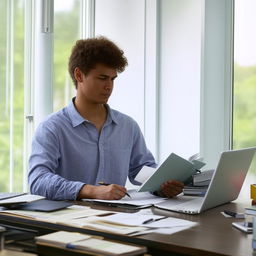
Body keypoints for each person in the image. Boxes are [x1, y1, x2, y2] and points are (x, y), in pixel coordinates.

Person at [28, 36, 184, 201]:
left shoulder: (127, 126)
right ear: (79, 75)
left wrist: (163, 186)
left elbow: (141, 170)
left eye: (112, 79)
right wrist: (91, 191)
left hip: (119, 219)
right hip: (70, 220)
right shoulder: (52, 128)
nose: (109, 86)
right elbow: (38, 180)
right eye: (102, 78)